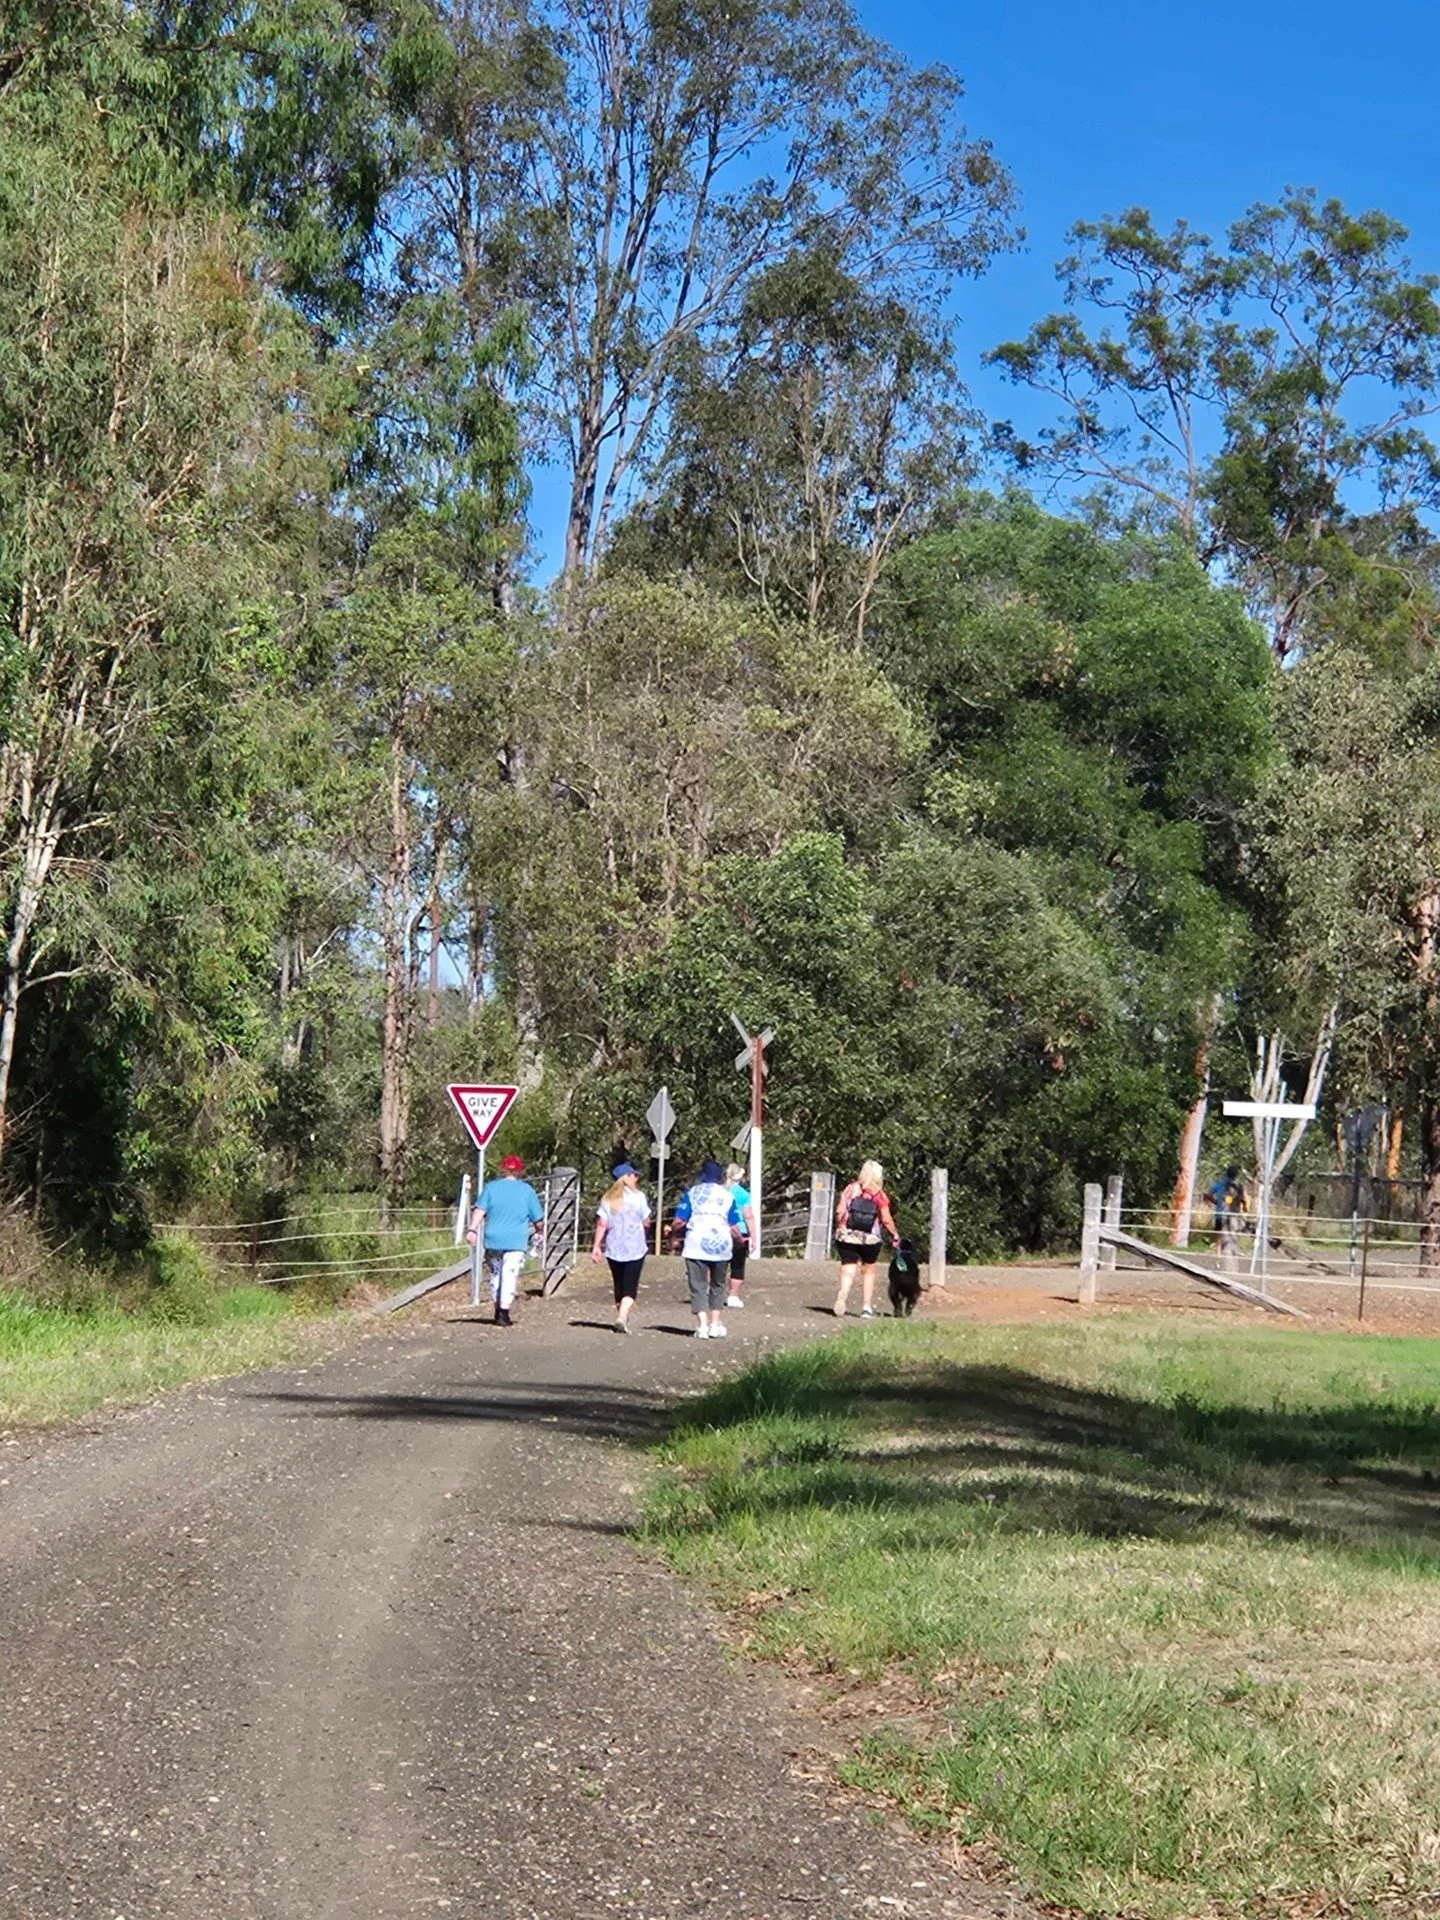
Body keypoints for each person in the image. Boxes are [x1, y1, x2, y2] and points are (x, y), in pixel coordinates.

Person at [669, 1158, 744, 1338]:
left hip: (696, 1244)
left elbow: (679, 1221)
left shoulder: (692, 1193)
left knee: (698, 1284)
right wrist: (740, 1240)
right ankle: (715, 1323)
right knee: (718, 1284)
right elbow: (734, 1225)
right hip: (721, 1245)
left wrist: (672, 1235)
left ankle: (702, 1325)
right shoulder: (727, 1196)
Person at [468, 1153, 543, 1326]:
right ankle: (504, 1311)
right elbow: (537, 1218)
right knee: (509, 1273)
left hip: (493, 1238)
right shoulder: (527, 1191)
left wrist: (472, 1229)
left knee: (496, 1274)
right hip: (516, 1240)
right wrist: (540, 1231)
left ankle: (497, 1308)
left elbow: (479, 1210)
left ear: (503, 1169)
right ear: (520, 1170)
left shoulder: (491, 1188)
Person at [833, 1159, 900, 1318]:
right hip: (869, 1238)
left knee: (848, 1264)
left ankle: (844, 1292)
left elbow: (839, 1212)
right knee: (868, 1269)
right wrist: (895, 1234)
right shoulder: (879, 1195)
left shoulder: (850, 1189)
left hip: (847, 1236)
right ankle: (866, 1308)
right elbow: (886, 1219)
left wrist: (840, 1226)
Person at [590, 1162, 652, 1333]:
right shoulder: (638, 1197)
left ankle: (622, 1317)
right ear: (626, 1178)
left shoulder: (607, 1198)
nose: (636, 1178)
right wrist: (645, 1227)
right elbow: (646, 1220)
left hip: (614, 1247)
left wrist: (596, 1246)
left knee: (619, 1284)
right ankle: (622, 1317)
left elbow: (602, 1223)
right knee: (630, 1286)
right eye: (634, 1175)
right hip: (635, 1247)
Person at [724, 1161, 757, 1308]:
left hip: (720, 1230)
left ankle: (710, 1291)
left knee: (717, 1264)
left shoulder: (721, 1191)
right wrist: (753, 1236)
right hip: (740, 1231)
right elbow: (748, 1215)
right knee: (737, 1265)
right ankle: (733, 1296)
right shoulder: (743, 1194)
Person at [1209, 1165, 1247, 1268]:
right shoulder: (1238, 1185)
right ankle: (1231, 1257)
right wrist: (1245, 1207)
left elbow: (1209, 1194)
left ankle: (1218, 1258)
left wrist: (1217, 1203)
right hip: (1233, 1215)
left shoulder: (1220, 1183)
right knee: (1233, 1235)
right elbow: (1243, 1199)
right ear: (1236, 1174)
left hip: (1220, 1214)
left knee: (1220, 1237)